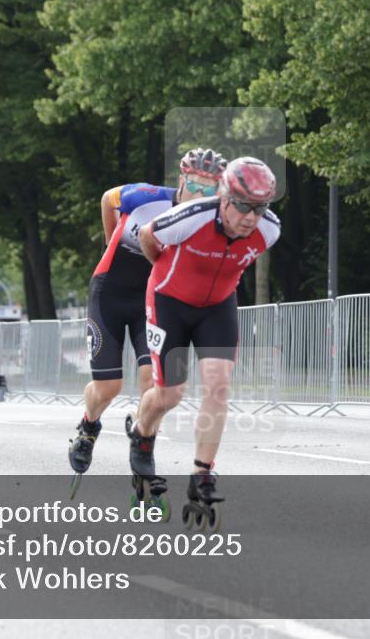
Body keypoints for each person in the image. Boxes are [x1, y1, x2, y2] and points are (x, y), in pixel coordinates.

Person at [132, 157, 280, 522]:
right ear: (225, 197)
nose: (250, 216)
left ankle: (202, 472)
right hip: (170, 301)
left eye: (259, 208)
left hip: (217, 307)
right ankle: (141, 433)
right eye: (243, 205)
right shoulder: (193, 215)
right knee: (170, 393)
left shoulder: (269, 230)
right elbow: (147, 236)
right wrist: (164, 271)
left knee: (218, 387)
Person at [68, 148, 228, 476]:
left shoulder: (209, 222)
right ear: (181, 180)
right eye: (195, 185)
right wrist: (112, 236)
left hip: (150, 301)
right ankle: (88, 427)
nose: (201, 194)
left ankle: (143, 441)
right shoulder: (147, 197)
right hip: (109, 293)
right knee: (107, 388)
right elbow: (106, 198)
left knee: (151, 381)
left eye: (210, 189)